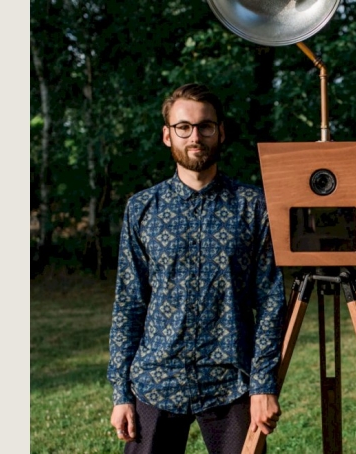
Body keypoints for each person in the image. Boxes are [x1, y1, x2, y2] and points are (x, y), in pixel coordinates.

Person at [107, 83, 286, 454]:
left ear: (221, 132)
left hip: (230, 382)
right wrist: (121, 393)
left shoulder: (254, 208)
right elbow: (129, 304)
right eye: (183, 127)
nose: (195, 136)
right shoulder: (141, 209)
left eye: (205, 126)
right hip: (155, 378)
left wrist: (264, 384)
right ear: (166, 135)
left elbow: (271, 302)